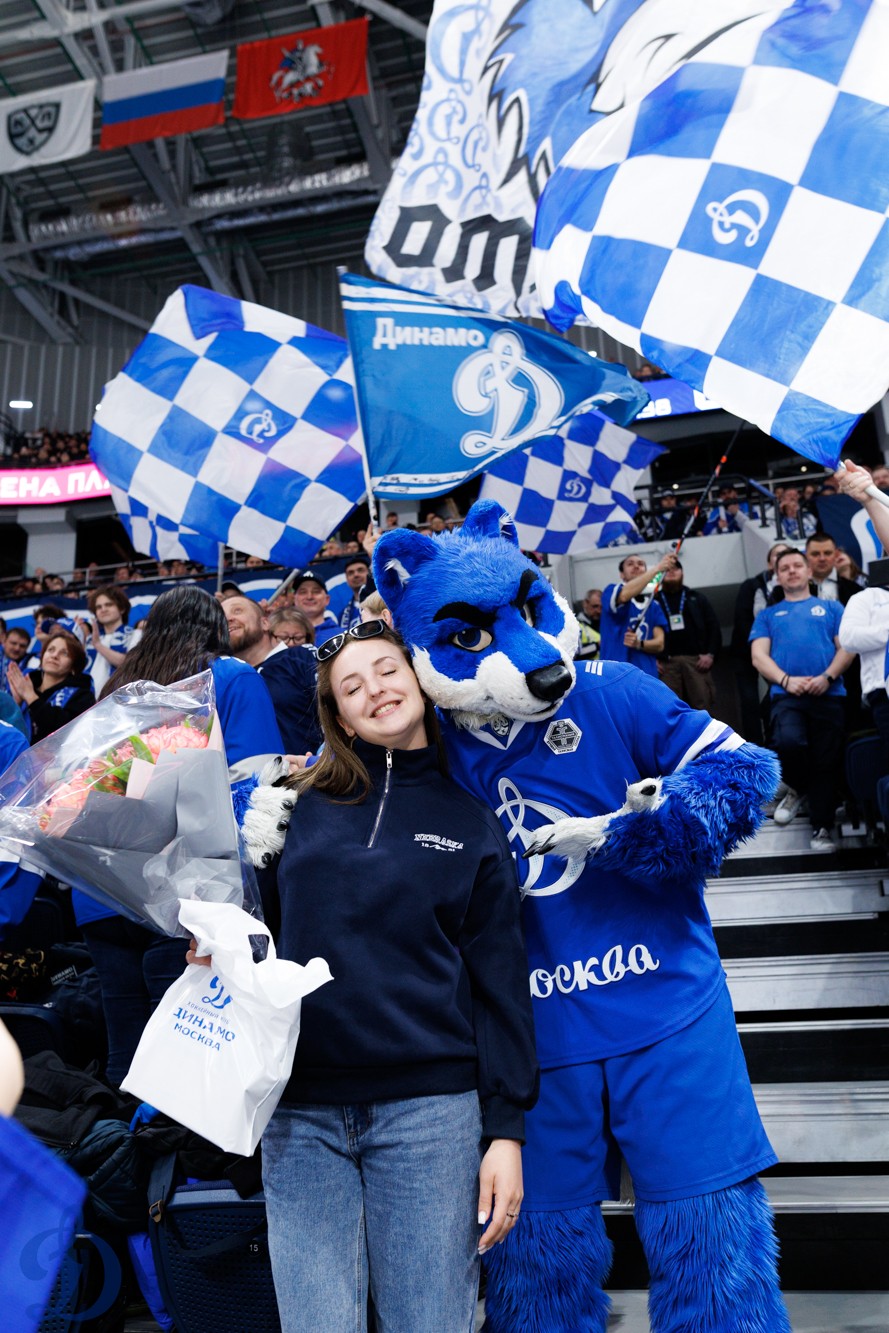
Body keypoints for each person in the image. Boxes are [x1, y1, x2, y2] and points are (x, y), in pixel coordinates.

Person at [194, 620, 538, 1332]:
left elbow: (500, 984)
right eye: (352, 687)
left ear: (419, 680)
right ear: (340, 717)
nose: (374, 689)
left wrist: (505, 1131)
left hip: (429, 1116)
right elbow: (257, 934)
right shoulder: (290, 806)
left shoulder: (471, 823)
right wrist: (214, 942)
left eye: (386, 670)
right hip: (300, 1115)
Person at [77, 587, 284, 1085]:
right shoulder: (230, 676)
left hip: (101, 888)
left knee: (125, 1059)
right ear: (215, 628)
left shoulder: (117, 690)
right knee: (182, 1068)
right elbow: (255, 784)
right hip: (183, 888)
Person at [750, 548, 855, 852]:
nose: (792, 571)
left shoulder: (832, 607)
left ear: (809, 572)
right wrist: (786, 680)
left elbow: (846, 647)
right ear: (777, 577)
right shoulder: (767, 615)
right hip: (786, 696)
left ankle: (821, 828)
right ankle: (799, 788)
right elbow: (758, 656)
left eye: (798, 565)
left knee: (826, 761)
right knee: (788, 743)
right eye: (785, 568)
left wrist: (827, 678)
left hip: (829, 694)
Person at [223, 594, 322, 758]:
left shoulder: (299, 656)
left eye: (237, 610)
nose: (228, 618)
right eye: (221, 616)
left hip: (310, 771)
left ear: (265, 623)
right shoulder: (222, 681)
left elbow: (335, 708)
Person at [730, 542, 793, 743]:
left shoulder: (793, 585)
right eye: (777, 554)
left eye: (786, 553)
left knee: (779, 692)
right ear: (769, 563)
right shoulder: (751, 585)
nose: (781, 557)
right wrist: (759, 647)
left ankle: (774, 735)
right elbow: (742, 620)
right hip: (746, 651)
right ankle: (755, 745)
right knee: (749, 700)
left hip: (778, 652)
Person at [6, 630, 95, 744]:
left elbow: (64, 732)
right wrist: (16, 704)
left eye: (64, 653)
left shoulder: (82, 696)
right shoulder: (25, 685)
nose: (54, 656)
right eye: (50, 650)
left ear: (74, 667)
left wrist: (31, 698)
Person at [655, 560, 721, 711]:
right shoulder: (655, 601)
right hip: (666, 664)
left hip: (696, 661)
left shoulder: (696, 598)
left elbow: (713, 627)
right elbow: (645, 632)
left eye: (676, 568)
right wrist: (652, 659)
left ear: (682, 573)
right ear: (660, 575)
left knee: (702, 706)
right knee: (669, 708)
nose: (672, 571)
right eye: (667, 569)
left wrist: (710, 654)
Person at [599, 552, 673, 677]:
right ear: (622, 574)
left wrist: (639, 644)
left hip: (646, 674)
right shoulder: (610, 591)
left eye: (641, 564)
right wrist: (657, 568)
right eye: (630, 564)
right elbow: (623, 596)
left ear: (646, 571)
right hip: (615, 673)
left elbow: (659, 644)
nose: (636, 566)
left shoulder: (654, 605)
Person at [80, 584, 141, 696]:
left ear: (122, 609)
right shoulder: (89, 640)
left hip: (118, 699)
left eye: (109, 604)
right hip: (87, 700)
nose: (103, 609)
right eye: (99, 607)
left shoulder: (136, 634)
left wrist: (98, 645)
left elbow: (129, 663)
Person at [804, 532, 862, 605]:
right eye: (815, 554)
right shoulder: (793, 588)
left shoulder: (855, 590)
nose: (822, 558)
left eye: (827, 553)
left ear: (836, 554)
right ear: (805, 556)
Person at [293, 571, 340, 646]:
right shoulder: (283, 637)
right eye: (303, 592)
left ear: (327, 599)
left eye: (316, 591)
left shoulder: (341, 636)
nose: (309, 597)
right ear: (294, 600)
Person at [332, 555, 370, 629]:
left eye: (360, 570)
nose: (356, 575)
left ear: (369, 574)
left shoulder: (382, 601)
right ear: (346, 579)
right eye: (350, 573)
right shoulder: (342, 616)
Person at [575, 588, 601, 661]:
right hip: (586, 667)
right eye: (595, 606)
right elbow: (575, 653)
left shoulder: (606, 625)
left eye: (601, 607)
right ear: (585, 604)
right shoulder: (576, 625)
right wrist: (597, 645)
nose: (599, 611)